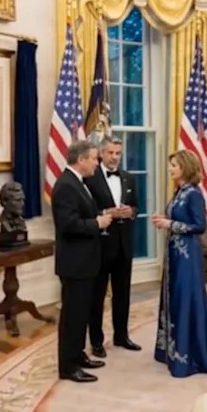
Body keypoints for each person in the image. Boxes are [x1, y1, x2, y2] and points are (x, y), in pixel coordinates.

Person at [151, 149, 207, 377]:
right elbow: (176, 220)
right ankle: (170, 349)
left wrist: (170, 225)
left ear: (184, 167)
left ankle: (189, 356)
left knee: (187, 300)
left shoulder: (193, 193)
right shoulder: (179, 191)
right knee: (174, 299)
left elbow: (199, 226)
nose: (170, 169)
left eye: (173, 165)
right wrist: (165, 222)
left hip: (187, 256)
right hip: (175, 255)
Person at [52, 140, 111, 383]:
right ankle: (68, 366)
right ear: (81, 159)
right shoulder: (66, 185)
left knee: (81, 314)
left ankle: (77, 355)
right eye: (95, 159)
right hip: (75, 263)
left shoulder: (79, 183)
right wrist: (97, 223)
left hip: (85, 261)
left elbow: (80, 214)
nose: (98, 164)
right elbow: (68, 225)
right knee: (72, 317)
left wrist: (97, 216)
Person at [85, 136, 140, 358]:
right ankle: (96, 341)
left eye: (118, 153)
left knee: (123, 293)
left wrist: (131, 212)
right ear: (101, 153)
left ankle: (121, 335)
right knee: (97, 295)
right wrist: (106, 213)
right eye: (110, 153)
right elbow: (85, 212)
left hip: (124, 244)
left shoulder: (128, 178)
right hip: (99, 245)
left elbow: (136, 206)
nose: (115, 157)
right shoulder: (90, 178)